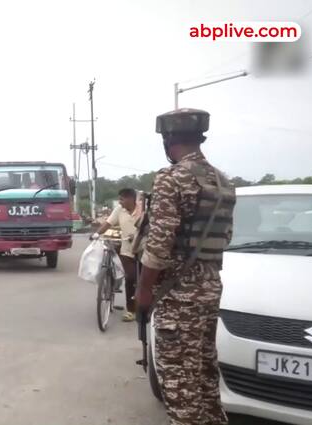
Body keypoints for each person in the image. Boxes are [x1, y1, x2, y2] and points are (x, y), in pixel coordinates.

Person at [135, 108, 236, 425]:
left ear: (168, 140)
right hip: (209, 286)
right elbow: (226, 237)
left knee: (180, 386)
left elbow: (159, 246)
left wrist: (144, 291)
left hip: (179, 293)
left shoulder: (172, 179)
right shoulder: (222, 181)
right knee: (205, 376)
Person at [90, 188, 140, 322]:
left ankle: (146, 305)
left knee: (144, 279)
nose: (120, 202)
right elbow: (108, 223)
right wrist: (97, 233)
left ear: (131, 199)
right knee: (130, 278)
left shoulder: (143, 209)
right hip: (127, 250)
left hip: (143, 250)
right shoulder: (119, 210)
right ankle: (131, 310)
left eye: (122, 199)